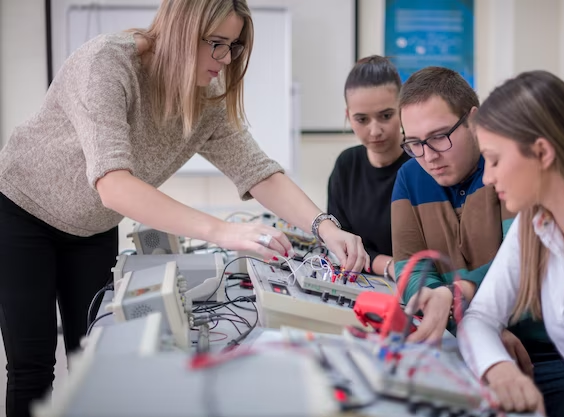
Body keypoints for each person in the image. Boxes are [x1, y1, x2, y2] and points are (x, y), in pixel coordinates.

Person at [0, 1, 368, 416]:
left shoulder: (206, 97)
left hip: (92, 227)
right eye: (216, 44)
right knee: (32, 367)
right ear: (180, 29)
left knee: (94, 355)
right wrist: (223, 232)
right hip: (21, 212)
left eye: (233, 46)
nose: (225, 59)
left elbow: (258, 171)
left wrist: (324, 227)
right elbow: (113, 184)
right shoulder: (106, 63)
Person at [392, 67, 564, 416]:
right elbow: (411, 271)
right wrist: (474, 329)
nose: (428, 156)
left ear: (473, 120)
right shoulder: (410, 177)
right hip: (473, 341)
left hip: (549, 352)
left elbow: (520, 273)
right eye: (414, 143)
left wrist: (453, 297)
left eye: (440, 136)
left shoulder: (521, 183)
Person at [459, 70, 564, 415]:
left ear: (542, 152)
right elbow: (480, 316)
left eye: (494, 159)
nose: (487, 178)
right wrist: (498, 368)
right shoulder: (535, 225)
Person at [327, 55, 410, 278]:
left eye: (385, 116)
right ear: (348, 116)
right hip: (363, 281)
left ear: (402, 108)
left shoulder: (422, 165)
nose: (374, 131)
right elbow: (339, 244)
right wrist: (389, 266)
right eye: (362, 119)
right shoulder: (346, 165)